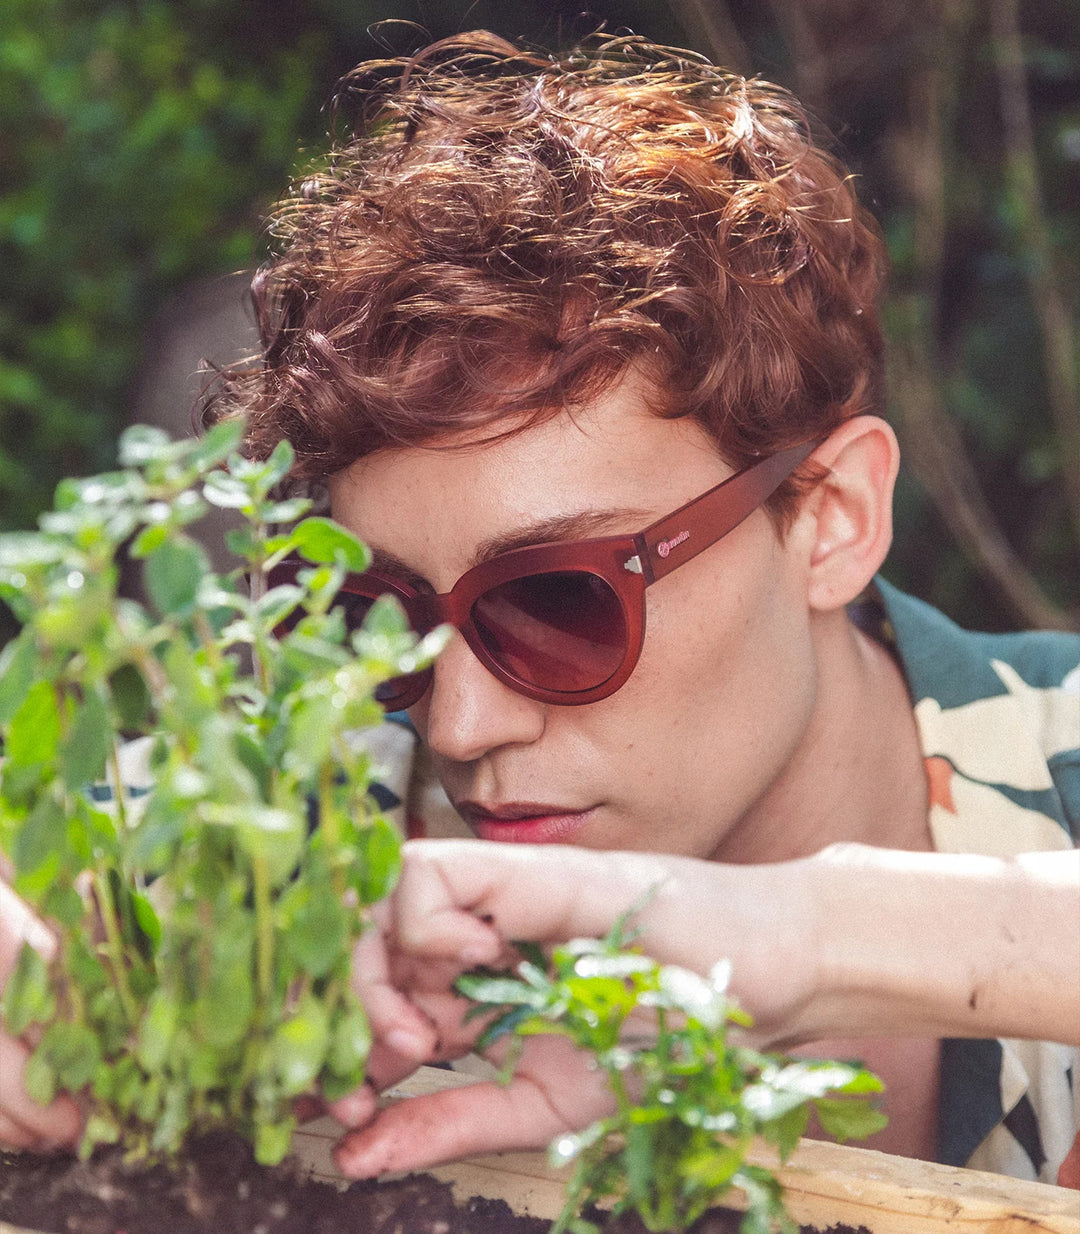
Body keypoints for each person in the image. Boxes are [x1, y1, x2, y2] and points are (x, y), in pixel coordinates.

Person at [2, 31, 1078, 1189]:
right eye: (385, 616)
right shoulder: (264, 841)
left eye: (557, 601)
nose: (459, 726)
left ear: (833, 518)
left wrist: (810, 937)